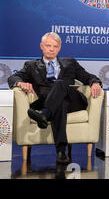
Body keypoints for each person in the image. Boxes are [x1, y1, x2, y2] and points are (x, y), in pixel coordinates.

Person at [8, 32, 102, 164]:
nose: (51, 49)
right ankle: (61, 151)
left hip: (73, 101)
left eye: (55, 46)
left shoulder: (70, 62)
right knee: (60, 104)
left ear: (59, 48)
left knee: (60, 83)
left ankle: (45, 114)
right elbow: (13, 77)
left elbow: (87, 76)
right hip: (56, 103)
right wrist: (20, 83)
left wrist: (95, 82)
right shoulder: (31, 66)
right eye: (48, 45)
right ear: (42, 46)